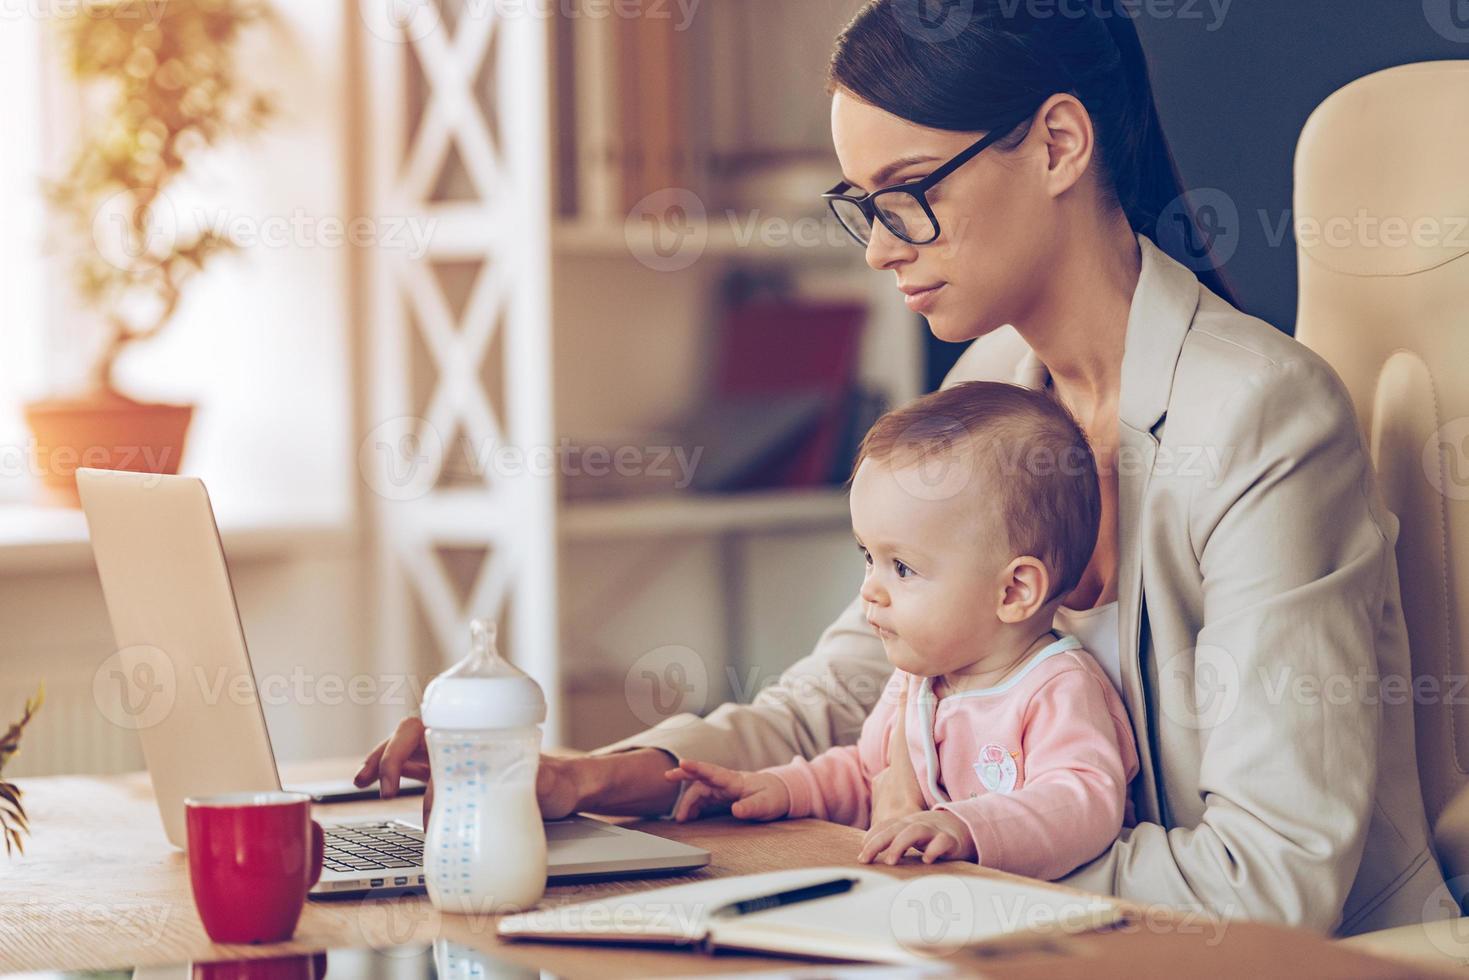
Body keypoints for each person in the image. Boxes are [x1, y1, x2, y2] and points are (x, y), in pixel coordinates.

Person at [357, 0, 1451, 934]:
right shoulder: (987, 384)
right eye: (860, 205)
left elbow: (1272, 879)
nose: (877, 246)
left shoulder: (1260, 417)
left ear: (1059, 144)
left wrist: (942, 870)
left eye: (906, 191)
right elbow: (844, 691)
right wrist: (603, 773)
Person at [667, 382, 1140, 880]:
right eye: (869, 558)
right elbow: (868, 775)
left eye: (903, 568)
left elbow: (1083, 799)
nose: (870, 589)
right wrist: (779, 789)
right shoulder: (918, 681)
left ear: (1014, 591)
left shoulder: (1058, 687)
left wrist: (963, 827)